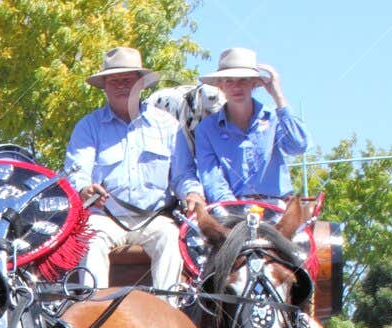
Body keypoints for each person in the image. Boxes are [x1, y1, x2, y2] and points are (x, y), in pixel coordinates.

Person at [64, 46, 207, 292]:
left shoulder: (167, 126)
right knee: (91, 238)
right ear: (104, 86)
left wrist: (193, 193)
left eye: (127, 80)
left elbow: (183, 175)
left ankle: (167, 308)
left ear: (141, 84)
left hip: (154, 218)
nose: (121, 86)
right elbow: (76, 173)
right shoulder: (88, 127)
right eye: (114, 81)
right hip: (105, 218)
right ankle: (91, 307)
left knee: (172, 238)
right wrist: (85, 189)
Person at [192, 48, 309, 206]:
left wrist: (277, 96)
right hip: (232, 208)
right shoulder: (206, 129)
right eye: (229, 81)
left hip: (278, 206)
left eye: (244, 80)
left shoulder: (274, 119)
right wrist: (232, 211)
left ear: (254, 83)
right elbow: (212, 179)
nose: (236, 87)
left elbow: (298, 146)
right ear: (220, 85)